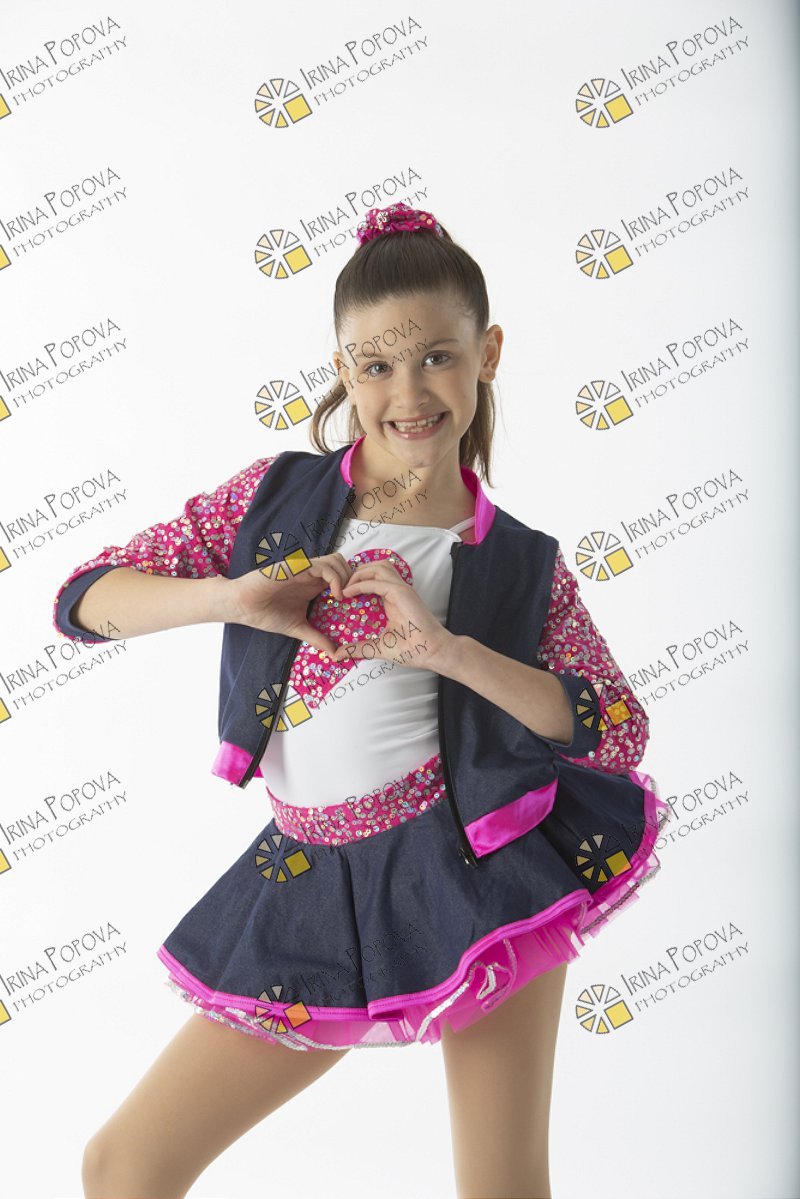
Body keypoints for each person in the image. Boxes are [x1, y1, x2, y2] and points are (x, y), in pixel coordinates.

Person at [53, 201, 670, 1199]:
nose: (408, 391)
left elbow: (615, 726)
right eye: (376, 364)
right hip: (307, 870)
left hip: (487, 869)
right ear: (342, 367)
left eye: (437, 356)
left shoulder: (518, 562)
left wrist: (450, 651)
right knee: (124, 1164)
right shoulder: (273, 503)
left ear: (488, 353)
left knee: (502, 1185)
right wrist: (232, 595)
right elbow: (84, 601)